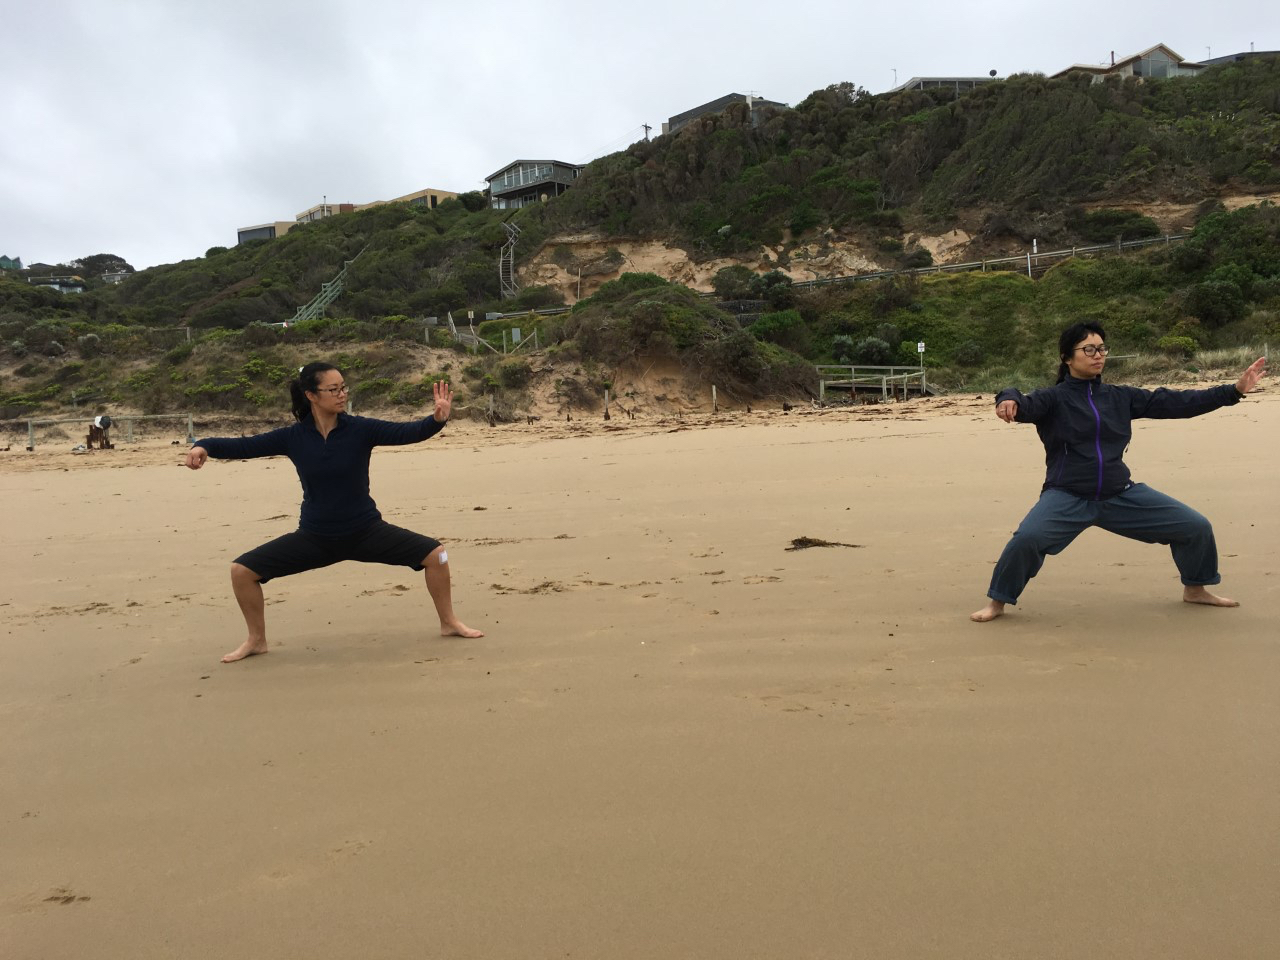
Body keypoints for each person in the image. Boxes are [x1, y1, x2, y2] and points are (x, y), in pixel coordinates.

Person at [186, 362, 483, 662]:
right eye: (333, 389)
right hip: (315, 537)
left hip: (366, 531)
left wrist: (436, 420)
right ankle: (256, 640)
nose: (342, 394)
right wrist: (204, 446)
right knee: (241, 572)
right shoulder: (293, 437)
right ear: (311, 395)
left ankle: (449, 622)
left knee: (437, 556)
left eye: (343, 388)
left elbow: (407, 432)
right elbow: (245, 447)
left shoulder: (360, 429)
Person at [971, 322, 1267, 622]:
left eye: (1101, 349)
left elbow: (1177, 403)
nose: (1098, 355)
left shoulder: (1120, 397)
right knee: (1027, 540)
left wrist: (1233, 391)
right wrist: (1007, 398)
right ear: (1067, 358)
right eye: (1089, 349)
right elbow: (1021, 400)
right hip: (1067, 496)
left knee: (1195, 527)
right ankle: (997, 602)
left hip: (1119, 494)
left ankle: (1195, 589)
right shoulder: (1053, 399)